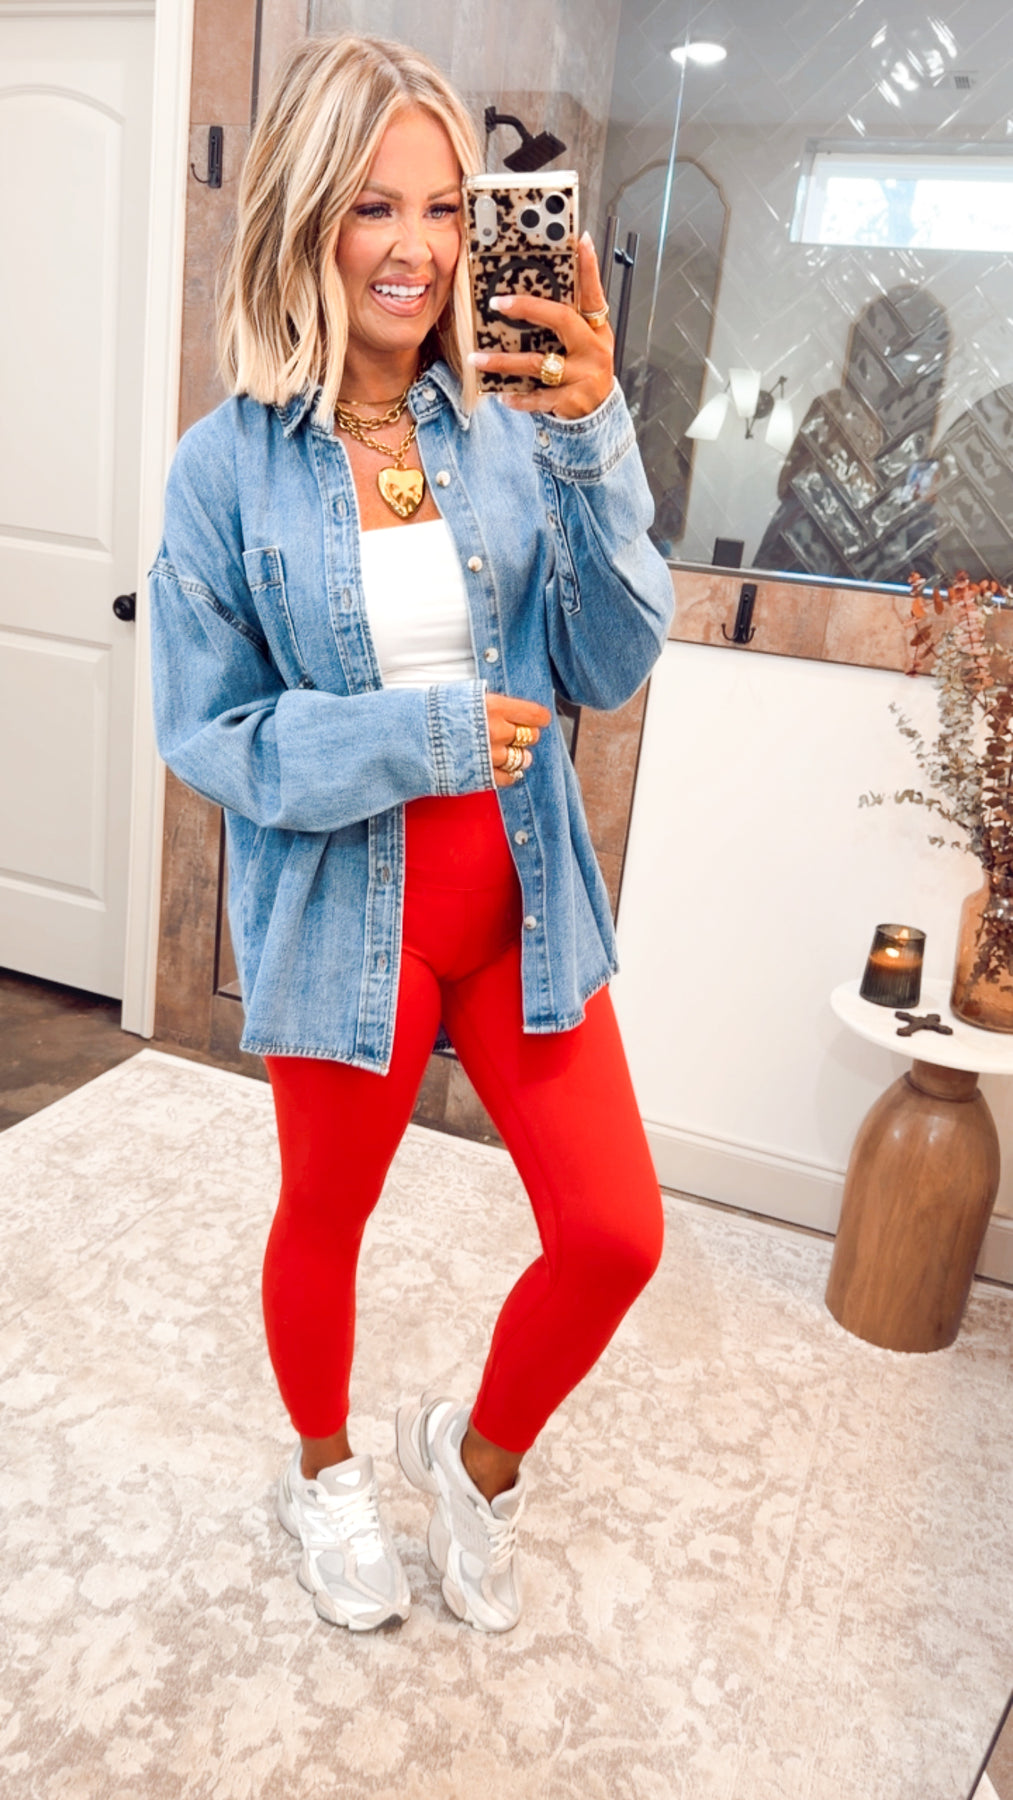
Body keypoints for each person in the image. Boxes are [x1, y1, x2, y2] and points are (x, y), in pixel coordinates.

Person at [149, 33, 674, 1636]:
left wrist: (595, 434)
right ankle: (322, 1471)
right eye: (374, 206)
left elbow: (609, 661)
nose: (419, 249)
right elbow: (211, 734)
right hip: (342, 915)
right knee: (327, 1217)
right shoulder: (224, 469)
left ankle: (475, 1458)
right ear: (304, 215)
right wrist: (423, 735)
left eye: (446, 208)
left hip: (521, 900)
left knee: (614, 1233)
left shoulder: (511, 426)